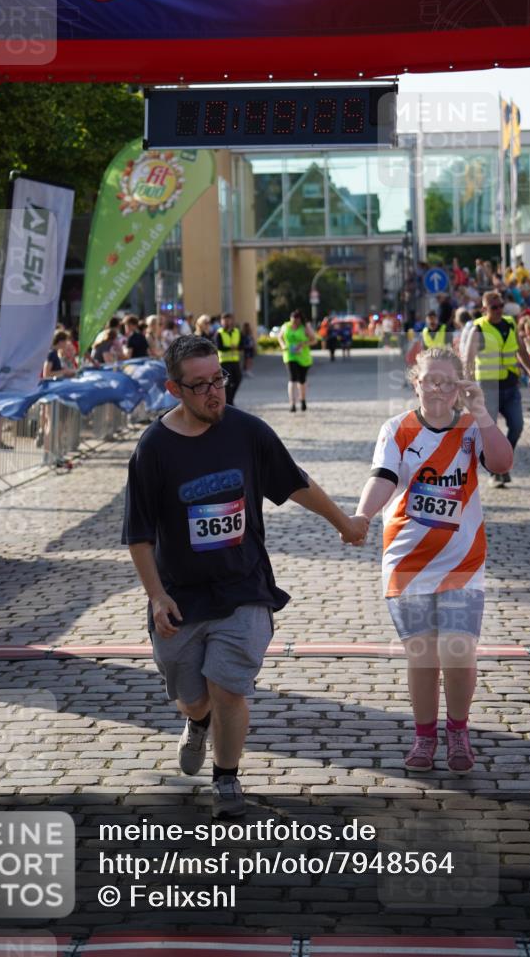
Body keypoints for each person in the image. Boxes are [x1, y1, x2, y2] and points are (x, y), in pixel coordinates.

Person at [123, 335, 369, 818]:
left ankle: (227, 778)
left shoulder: (248, 432)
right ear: (174, 389)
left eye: (220, 379)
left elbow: (294, 482)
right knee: (193, 698)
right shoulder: (153, 448)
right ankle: (198, 723)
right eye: (201, 385)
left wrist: (344, 523)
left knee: (230, 688)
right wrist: (155, 596)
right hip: (180, 597)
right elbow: (138, 534)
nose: (215, 392)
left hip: (244, 587)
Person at [356, 346, 512, 774]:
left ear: (459, 384)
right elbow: (383, 477)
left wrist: (481, 411)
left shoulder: (470, 429)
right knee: (422, 656)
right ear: (415, 382)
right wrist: (363, 515)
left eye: (447, 381)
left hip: (463, 561)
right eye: (430, 380)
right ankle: (424, 737)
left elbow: (501, 462)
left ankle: (457, 731)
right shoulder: (398, 429)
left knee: (459, 653)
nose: (438, 389)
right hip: (407, 560)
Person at [462, 290, 530, 487]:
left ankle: (503, 462)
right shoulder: (478, 329)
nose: (498, 310)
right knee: (490, 432)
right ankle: (495, 472)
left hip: (511, 386)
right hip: (488, 388)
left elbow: (521, 350)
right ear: (484, 309)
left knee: (518, 426)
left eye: (501, 305)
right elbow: (468, 361)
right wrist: (469, 388)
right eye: (494, 307)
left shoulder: (510, 324)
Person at [278, 309, 316, 413]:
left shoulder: (305, 327)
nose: (294, 323)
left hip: (303, 357)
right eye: (292, 320)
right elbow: (280, 337)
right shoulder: (286, 326)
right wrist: (283, 345)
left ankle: (302, 400)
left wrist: (303, 344)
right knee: (292, 378)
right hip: (290, 356)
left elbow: (314, 340)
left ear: (300, 320)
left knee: (302, 380)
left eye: (296, 321)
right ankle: (292, 404)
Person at [215, 312, 242, 405]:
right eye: (225, 320)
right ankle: (229, 402)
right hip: (224, 361)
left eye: (229, 320)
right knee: (227, 383)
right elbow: (219, 347)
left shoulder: (237, 331)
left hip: (235, 360)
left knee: (238, 379)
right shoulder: (219, 333)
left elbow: (242, 344)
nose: (227, 322)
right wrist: (231, 348)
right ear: (221, 322)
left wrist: (238, 348)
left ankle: (230, 399)